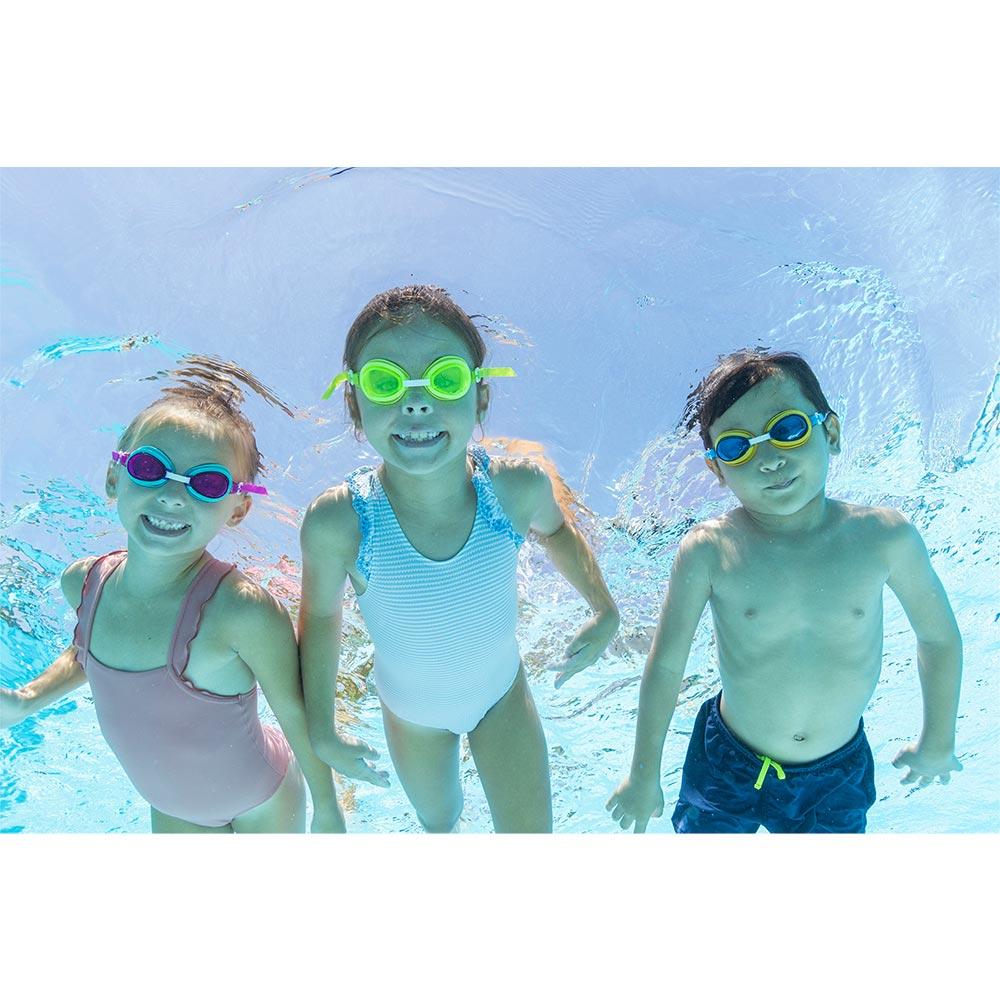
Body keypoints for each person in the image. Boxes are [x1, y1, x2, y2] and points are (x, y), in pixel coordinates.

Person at [299, 285, 619, 832]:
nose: (416, 402)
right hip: (412, 717)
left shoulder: (517, 489)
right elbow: (321, 616)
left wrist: (604, 608)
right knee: (440, 821)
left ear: (481, 398)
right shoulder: (341, 522)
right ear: (354, 404)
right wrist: (322, 728)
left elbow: (558, 533)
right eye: (384, 382)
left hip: (502, 699)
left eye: (444, 379)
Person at [607, 348, 963, 833]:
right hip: (727, 763)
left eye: (788, 429)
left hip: (834, 775)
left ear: (830, 432)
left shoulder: (884, 538)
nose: (769, 459)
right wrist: (642, 774)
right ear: (717, 470)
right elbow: (667, 665)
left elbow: (938, 639)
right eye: (737, 447)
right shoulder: (709, 550)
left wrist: (938, 740)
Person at [1, 371, 344, 833]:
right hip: (171, 807)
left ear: (238, 509)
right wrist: (27, 701)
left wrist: (328, 808)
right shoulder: (83, 585)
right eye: (149, 468)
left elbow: (295, 712)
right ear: (114, 476)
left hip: (262, 800)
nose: (172, 496)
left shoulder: (241, 611)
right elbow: (89, 651)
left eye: (207, 484)